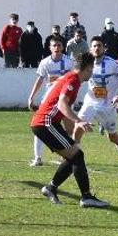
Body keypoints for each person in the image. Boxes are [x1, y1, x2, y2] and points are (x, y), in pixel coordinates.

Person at [30, 52, 109, 208]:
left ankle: (51, 188)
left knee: (74, 155)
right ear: (86, 69)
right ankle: (86, 197)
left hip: (49, 123)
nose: (92, 72)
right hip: (45, 123)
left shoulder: (73, 79)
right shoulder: (72, 79)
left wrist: (71, 136)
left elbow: (65, 112)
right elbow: (62, 105)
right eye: (91, 68)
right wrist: (79, 121)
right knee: (77, 155)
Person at [77, 36, 118, 169]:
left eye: (99, 45)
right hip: (90, 101)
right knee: (78, 126)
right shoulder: (86, 63)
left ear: (104, 48)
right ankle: (73, 156)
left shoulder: (113, 63)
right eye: (94, 46)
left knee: (112, 136)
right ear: (90, 48)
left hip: (108, 105)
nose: (97, 48)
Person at [27, 35, 76, 167]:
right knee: (39, 125)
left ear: (63, 47)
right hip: (48, 100)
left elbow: (74, 79)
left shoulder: (69, 62)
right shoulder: (45, 62)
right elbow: (40, 80)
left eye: (59, 45)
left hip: (64, 99)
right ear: (49, 47)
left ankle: (68, 155)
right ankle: (38, 158)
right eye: (54, 45)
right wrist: (32, 97)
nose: (56, 48)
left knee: (69, 128)